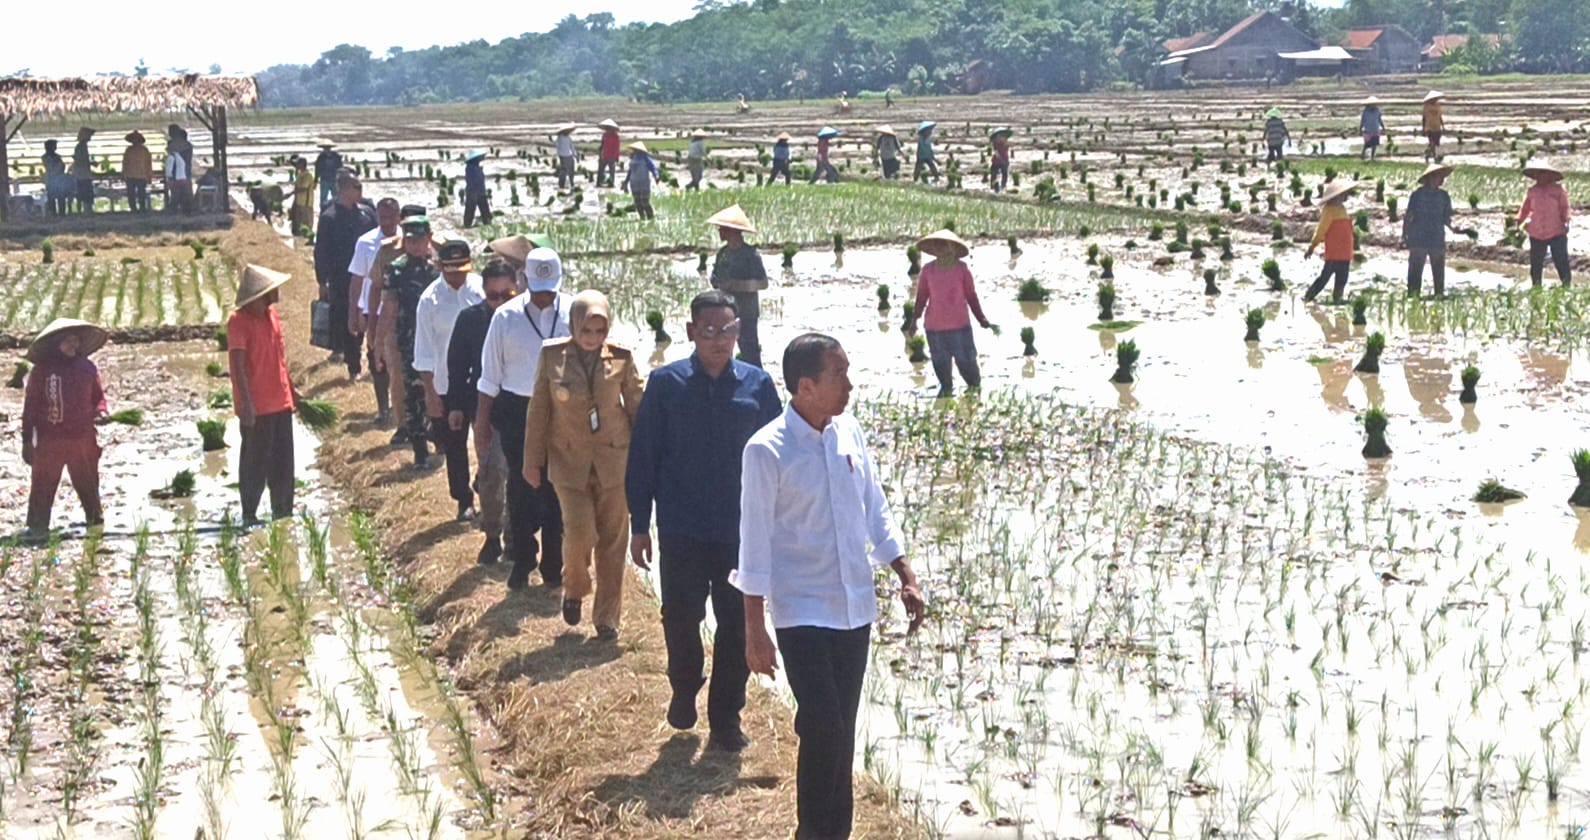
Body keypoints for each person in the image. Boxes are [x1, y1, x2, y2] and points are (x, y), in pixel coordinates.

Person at [735, 334, 925, 840]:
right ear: (805, 386)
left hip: (854, 609)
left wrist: (904, 573)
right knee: (822, 727)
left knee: (841, 735)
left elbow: (874, 509)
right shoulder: (766, 450)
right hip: (801, 612)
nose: (849, 385)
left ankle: (832, 832)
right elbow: (752, 546)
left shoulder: (849, 433)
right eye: (838, 375)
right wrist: (754, 630)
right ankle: (812, 832)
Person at [627, 290, 782, 750]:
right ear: (692, 332)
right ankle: (684, 684)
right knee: (681, 616)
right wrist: (640, 523)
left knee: (736, 624)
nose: (719, 341)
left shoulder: (758, 386)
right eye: (710, 332)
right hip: (682, 528)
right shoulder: (666, 384)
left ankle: (726, 718)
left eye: (728, 331)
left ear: (739, 332)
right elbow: (644, 457)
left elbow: (781, 457)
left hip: (741, 532)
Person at [525, 290, 643, 640]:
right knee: (579, 533)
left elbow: (637, 408)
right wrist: (532, 461)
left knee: (612, 541)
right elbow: (539, 412)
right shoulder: (552, 357)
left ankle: (607, 618)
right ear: (574, 325)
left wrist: (648, 462)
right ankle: (575, 587)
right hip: (568, 462)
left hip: (614, 461)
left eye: (599, 331)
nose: (592, 339)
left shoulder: (622, 358)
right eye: (586, 331)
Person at [476, 247, 572, 590]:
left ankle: (553, 563)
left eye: (551, 289)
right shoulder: (506, 317)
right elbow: (490, 376)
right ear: (524, 281)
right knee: (521, 485)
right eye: (539, 288)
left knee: (557, 487)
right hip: (518, 410)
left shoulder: (574, 312)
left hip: (563, 411)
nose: (545, 297)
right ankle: (523, 558)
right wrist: (482, 424)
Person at [448, 258, 519, 564]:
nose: (501, 301)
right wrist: (456, 407)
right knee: (491, 474)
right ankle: (492, 535)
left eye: (508, 295)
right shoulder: (470, 320)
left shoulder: (525, 319)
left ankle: (516, 539)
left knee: (520, 477)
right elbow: (457, 367)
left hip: (521, 407)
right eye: (494, 296)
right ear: (484, 294)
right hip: (486, 409)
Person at [413, 238, 486, 510]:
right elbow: (423, 353)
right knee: (455, 447)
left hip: (482, 382)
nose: (456, 274)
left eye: (461, 268)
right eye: (450, 268)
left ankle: (484, 483)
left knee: (487, 441)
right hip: (446, 385)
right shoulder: (429, 300)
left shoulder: (481, 291)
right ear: (439, 266)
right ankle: (463, 500)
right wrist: (430, 394)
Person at [21, 318, 108, 540]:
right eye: (67, 341)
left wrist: (101, 412)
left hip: (83, 438)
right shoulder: (42, 371)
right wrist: (26, 440)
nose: (73, 345)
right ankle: (37, 527)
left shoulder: (87, 368)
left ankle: (95, 522)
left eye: (75, 341)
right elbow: (30, 407)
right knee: (43, 483)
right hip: (51, 440)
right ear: (56, 344)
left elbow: (99, 397)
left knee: (88, 481)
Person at [228, 265, 298, 526]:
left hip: (280, 401)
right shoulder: (239, 322)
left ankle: (283, 512)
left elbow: (279, 357)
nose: (276, 294)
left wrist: (292, 389)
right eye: (272, 291)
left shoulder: (272, 316)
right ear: (260, 295)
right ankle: (249, 513)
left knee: (283, 462)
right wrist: (246, 403)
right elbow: (237, 365)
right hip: (257, 405)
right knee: (254, 462)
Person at [382, 217, 447, 471]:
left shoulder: (439, 269)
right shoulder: (396, 269)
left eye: (419, 240)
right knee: (413, 397)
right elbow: (388, 306)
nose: (415, 245)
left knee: (440, 391)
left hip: (438, 342)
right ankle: (420, 451)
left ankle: (441, 442)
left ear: (429, 237)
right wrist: (378, 340)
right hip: (409, 341)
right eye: (410, 240)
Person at [366, 203, 429, 441]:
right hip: (397, 328)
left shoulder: (437, 255)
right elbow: (376, 289)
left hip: (431, 330)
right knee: (399, 379)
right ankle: (405, 426)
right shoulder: (388, 252)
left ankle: (431, 429)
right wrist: (374, 329)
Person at [908, 230, 991, 398]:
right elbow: (922, 297)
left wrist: (981, 318)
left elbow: (971, 296)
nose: (939, 247)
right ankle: (946, 395)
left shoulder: (962, 269)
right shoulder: (928, 271)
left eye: (943, 244)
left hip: (960, 327)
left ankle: (974, 399)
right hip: (934, 328)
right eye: (936, 244)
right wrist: (913, 320)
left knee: (968, 367)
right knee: (941, 368)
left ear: (953, 248)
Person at [314, 172, 377, 381]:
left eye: (361, 187)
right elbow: (321, 251)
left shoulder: (367, 214)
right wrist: (322, 281)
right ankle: (354, 366)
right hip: (342, 278)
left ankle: (374, 360)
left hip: (369, 276)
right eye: (356, 187)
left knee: (371, 317)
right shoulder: (329, 217)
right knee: (348, 319)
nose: (360, 191)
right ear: (343, 189)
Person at [347, 198, 401, 425]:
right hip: (373, 310)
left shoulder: (408, 242)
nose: (387, 221)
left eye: (391, 217)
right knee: (376, 359)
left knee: (400, 361)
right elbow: (357, 279)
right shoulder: (366, 242)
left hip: (401, 311)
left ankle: (400, 408)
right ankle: (383, 408)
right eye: (382, 217)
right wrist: (354, 312)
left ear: (399, 216)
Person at [706, 204, 767, 367]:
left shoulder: (750, 254)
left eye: (722, 229)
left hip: (746, 311)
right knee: (725, 350)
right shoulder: (723, 253)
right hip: (726, 312)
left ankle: (758, 384)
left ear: (732, 231)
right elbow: (715, 276)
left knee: (749, 350)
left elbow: (762, 283)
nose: (719, 232)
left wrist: (736, 285)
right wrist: (717, 282)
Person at [1402, 163, 1471, 296]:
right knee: (1415, 272)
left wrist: (1454, 228)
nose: (1442, 180)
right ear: (1430, 178)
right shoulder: (1417, 195)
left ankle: (1439, 295)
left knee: (1438, 271)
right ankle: (1413, 296)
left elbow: (1446, 218)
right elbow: (1409, 215)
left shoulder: (1444, 196)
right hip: (1418, 237)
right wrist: (1404, 234)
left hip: (1437, 237)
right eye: (1439, 176)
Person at [1518, 164, 1572, 287]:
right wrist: (1519, 221)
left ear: (1550, 176)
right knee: (1536, 263)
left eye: (1543, 173)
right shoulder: (1532, 191)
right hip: (1536, 231)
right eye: (1538, 174)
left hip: (1556, 230)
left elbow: (1565, 208)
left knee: (1561, 261)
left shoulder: (1558, 190)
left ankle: (1566, 286)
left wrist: (1567, 221)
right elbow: (1525, 208)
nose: (1540, 177)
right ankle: (1536, 287)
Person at [1304, 182, 1358, 304]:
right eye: (1343, 194)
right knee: (1325, 277)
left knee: (1342, 278)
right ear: (1336, 196)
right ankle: (1308, 297)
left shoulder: (1342, 209)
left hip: (1345, 252)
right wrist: (1312, 247)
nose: (1346, 196)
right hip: (1334, 252)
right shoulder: (1329, 210)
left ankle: (1337, 299)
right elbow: (1321, 230)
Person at [623, 141, 658, 220]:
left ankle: (651, 217)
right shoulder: (633, 159)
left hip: (644, 183)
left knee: (644, 202)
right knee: (637, 203)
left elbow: (653, 168)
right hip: (634, 183)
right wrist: (625, 182)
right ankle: (642, 217)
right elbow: (630, 171)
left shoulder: (646, 159)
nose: (633, 151)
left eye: (635, 150)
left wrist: (656, 176)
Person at [164, 128, 193, 214]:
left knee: (176, 194)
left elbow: (169, 168)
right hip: (183, 176)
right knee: (184, 193)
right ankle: (185, 210)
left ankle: (176, 210)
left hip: (177, 176)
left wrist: (169, 177)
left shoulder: (173, 155)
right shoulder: (187, 147)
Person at [122, 132, 152, 212]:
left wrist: (149, 175)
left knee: (141, 194)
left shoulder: (144, 150)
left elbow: (148, 164)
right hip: (131, 175)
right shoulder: (129, 150)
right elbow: (125, 163)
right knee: (131, 194)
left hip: (141, 175)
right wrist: (124, 173)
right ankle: (133, 209)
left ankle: (142, 208)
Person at [285, 157, 316, 234]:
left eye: (297, 164)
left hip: (306, 203)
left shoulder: (307, 176)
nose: (296, 165)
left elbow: (303, 188)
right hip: (299, 201)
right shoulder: (300, 175)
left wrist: (291, 193)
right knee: (298, 223)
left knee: (306, 223)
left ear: (302, 165)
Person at [41, 140, 70, 217]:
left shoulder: (57, 156)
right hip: (52, 179)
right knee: (52, 198)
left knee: (61, 197)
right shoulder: (47, 157)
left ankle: (61, 213)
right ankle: (53, 214)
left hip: (59, 180)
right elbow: (52, 168)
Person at [463, 149, 491, 228]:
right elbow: (472, 181)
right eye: (480, 157)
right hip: (473, 193)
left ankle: (487, 225)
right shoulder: (470, 168)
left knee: (485, 212)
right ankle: (467, 226)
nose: (482, 158)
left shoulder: (477, 167)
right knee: (470, 212)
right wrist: (474, 193)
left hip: (481, 192)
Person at [71, 127, 95, 214]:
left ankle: (83, 210)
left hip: (81, 173)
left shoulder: (81, 146)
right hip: (83, 174)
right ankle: (86, 210)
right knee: (85, 193)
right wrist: (91, 163)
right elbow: (82, 160)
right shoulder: (81, 147)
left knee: (81, 193)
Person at [314, 140, 343, 208]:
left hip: (334, 180)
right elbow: (317, 168)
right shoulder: (321, 157)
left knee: (336, 197)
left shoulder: (336, 156)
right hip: (324, 180)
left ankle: (337, 209)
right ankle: (323, 210)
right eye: (325, 148)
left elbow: (340, 167)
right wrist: (316, 179)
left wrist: (340, 178)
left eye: (328, 148)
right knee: (323, 198)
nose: (327, 149)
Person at [597, 119, 621, 188]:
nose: (607, 129)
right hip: (604, 155)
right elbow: (602, 145)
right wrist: (600, 153)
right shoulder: (604, 135)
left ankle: (611, 183)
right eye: (607, 128)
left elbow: (617, 147)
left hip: (611, 156)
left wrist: (617, 157)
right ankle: (599, 183)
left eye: (608, 128)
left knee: (611, 171)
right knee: (601, 170)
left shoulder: (616, 137)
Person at [1360, 97, 1385, 161]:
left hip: (1375, 129)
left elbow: (1379, 119)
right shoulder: (1365, 111)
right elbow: (1362, 120)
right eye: (1373, 104)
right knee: (1367, 144)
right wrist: (1360, 128)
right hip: (1368, 129)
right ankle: (1363, 154)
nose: (1374, 105)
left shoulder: (1377, 110)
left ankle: (1372, 157)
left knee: (1374, 144)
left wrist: (1383, 126)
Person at [553, 123, 577, 191]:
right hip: (563, 156)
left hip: (569, 155)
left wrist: (574, 154)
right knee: (563, 171)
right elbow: (557, 147)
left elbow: (571, 146)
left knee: (571, 170)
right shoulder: (560, 138)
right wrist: (559, 155)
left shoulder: (568, 137)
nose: (568, 132)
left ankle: (572, 183)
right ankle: (561, 184)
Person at [1422, 91, 1444, 161]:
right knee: (1432, 143)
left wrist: (1443, 125)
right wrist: (1423, 128)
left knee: (1436, 143)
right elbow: (1424, 118)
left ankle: (1428, 154)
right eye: (1435, 98)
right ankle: (1435, 157)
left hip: (1437, 127)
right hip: (1429, 127)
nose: (1436, 99)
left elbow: (1440, 116)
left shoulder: (1438, 106)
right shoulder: (1426, 106)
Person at [989, 127, 1012, 192]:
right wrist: (1000, 158)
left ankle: (1003, 186)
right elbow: (996, 152)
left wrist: (1004, 161)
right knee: (993, 173)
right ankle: (993, 187)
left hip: (1004, 161)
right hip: (996, 161)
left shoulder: (1006, 144)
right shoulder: (995, 143)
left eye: (1003, 137)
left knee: (1004, 174)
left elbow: (1005, 152)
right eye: (999, 136)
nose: (1001, 138)